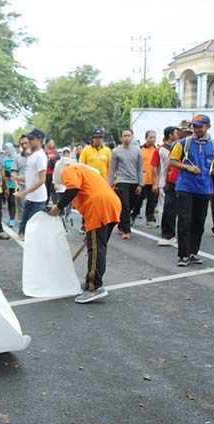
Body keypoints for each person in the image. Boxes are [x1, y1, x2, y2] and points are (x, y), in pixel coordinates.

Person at [48, 161, 121, 303]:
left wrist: (58, 207)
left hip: (98, 206)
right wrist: (88, 232)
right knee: (99, 246)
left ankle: (94, 287)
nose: (64, 181)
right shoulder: (86, 171)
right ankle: (92, 282)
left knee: (96, 249)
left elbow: (73, 189)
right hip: (111, 204)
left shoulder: (70, 169)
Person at [169, 114, 214, 267]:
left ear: (208, 127)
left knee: (199, 221)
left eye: (200, 126)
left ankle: (193, 253)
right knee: (185, 220)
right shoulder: (184, 143)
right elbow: (172, 161)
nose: (196, 129)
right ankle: (183, 255)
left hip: (204, 188)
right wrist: (188, 167)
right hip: (185, 187)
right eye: (194, 126)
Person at [108, 128, 143, 240]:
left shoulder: (137, 151)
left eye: (128, 135)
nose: (126, 138)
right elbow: (112, 169)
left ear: (132, 137)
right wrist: (111, 183)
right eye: (124, 136)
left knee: (132, 205)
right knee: (125, 206)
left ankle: (121, 224)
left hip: (134, 181)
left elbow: (139, 168)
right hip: (121, 181)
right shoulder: (116, 151)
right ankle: (126, 230)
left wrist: (140, 184)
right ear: (121, 137)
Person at [16, 128, 48, 237]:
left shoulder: (40, 156)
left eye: (31, 138)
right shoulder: (32, 155)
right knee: (23, 227)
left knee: (33, 229)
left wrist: (24, 193)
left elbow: (41, 180)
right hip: (30, 197)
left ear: (40, 139)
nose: (28, 141)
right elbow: (30, 176)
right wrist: (17, 178)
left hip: (38, 199)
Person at [155, 126, 181, 246]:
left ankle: (169, 232)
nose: (179, 134)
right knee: (166, 207)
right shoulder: (162, 150)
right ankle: (165, 231)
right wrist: (157, 182)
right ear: (170, 135)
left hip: (174, 180)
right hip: (166, 180)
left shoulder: (177, 146)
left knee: (172, 207)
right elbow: (156, 167)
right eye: (177, 132)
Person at [132, 130, 159, 228]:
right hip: (142, 180)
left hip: (153, 180)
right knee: (138, 200)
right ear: (146, 138)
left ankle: (150, 219)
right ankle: (133, 215)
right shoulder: (140, 150)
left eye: (154, 137)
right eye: (150, 137)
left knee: (152, 201)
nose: (153, 139)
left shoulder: (157, 150)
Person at [11, 136, 29, 226]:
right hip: (21, 186)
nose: (24, 145)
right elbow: (13, 174)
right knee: (22, 210)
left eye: (26, 143)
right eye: (22, 144)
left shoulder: (36, 156)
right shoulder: (17, 158)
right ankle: (22, 230)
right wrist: (16, 185)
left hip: (35, 187)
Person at [2, 143, 17, 227]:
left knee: (13, 201)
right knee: (9, 201)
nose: (6, 151)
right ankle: (11, 218)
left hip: (15, 182)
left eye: (8, 149)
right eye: (5, 149)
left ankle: (12, 219)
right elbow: (3, 171)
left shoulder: (17, 158)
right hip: (7, 183)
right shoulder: (4, 160)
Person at [44, 138, 59, 203]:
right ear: (47, 143)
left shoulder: (56, 153)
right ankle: (45, 204)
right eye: (51, 142)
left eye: (53, 142)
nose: (53, 144)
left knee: (54, 191)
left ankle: (55, 206)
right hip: (45, 174)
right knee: (46, 191)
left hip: (53, 174)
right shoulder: (43, 152)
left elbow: (59, 162)